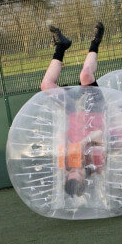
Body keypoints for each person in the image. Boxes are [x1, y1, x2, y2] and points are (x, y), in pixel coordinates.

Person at [40, 22, 106, 196]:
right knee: (85, 75)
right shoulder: (97, 165)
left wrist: (62, 141)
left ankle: (61, 46)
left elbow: (62, 135)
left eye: (70, 173)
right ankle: (95, 42)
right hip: (94, 111)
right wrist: (83, 143)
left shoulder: (66, 164)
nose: (74, 169)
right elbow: (101, 135)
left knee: (46, 86)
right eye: (78, 173)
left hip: (73, 113)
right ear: (85, 179)